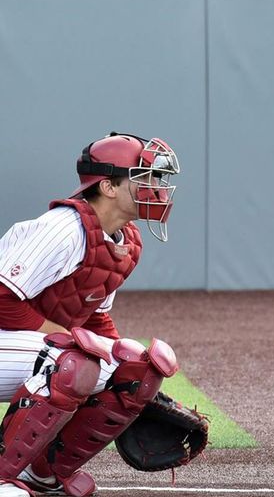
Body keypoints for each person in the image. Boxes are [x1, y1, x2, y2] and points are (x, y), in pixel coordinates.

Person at [0, 133, 182, 497]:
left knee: (136, 367)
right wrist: (66, 340)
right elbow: (3, 298)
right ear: (109, 186)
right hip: (11, 339)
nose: (157, 188)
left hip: (17, 348)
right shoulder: (63, 230)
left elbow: (96, 321)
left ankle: (43, 472)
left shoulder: (121, 240)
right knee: (72, 360)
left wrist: (133, 382)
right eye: (144, 177)